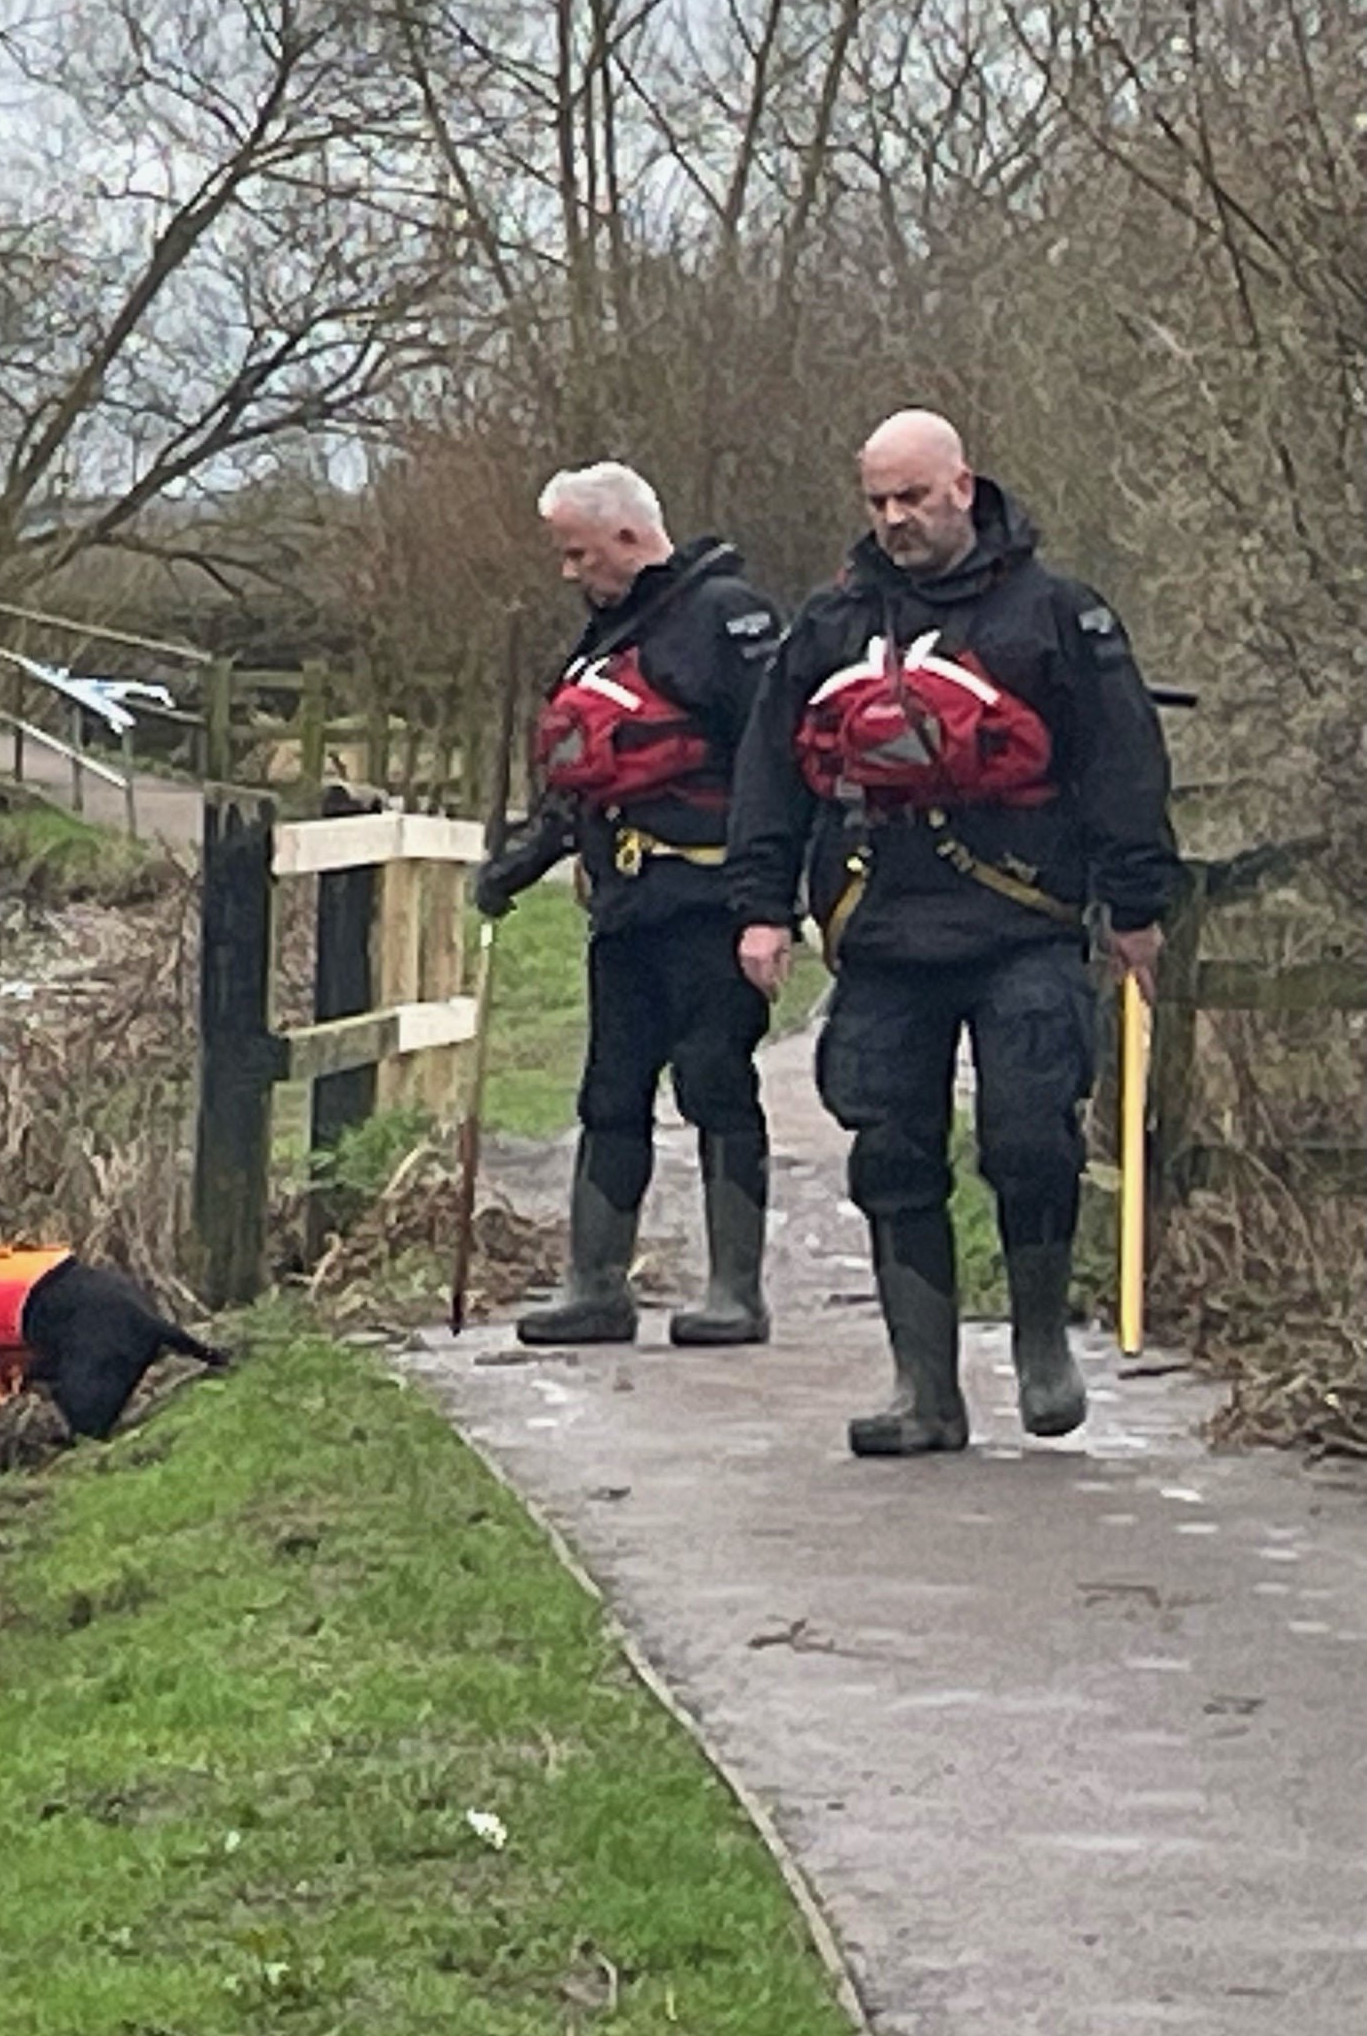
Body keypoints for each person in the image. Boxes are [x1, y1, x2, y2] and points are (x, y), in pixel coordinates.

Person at [723, 410, 1177, 1455]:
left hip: (1023, 918)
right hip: (881, 931)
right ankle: (922, 1390)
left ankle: (1038, 1351)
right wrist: (759, 906)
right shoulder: (830, 626)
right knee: (888, 1150)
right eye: (877, 502)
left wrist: (1136, 907)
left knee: (1028, 1133)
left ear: (961, 487)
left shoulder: (1055, 615)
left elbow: (1119, 760)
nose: (894, 520)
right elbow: (766, 773)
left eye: (912, 498)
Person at [475, 462, 785, 1346]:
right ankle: (595, 1286)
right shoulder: (600, 644)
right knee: (610, 1092)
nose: (569, 572)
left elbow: (777, 764)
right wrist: (521, 864)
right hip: (626, 909)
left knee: (714, 1082)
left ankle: (736, 1291)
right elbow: (581, 786)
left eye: (577, 553)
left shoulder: (728, 622)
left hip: (710, 904)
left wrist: (773, 901)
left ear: (625, 537)